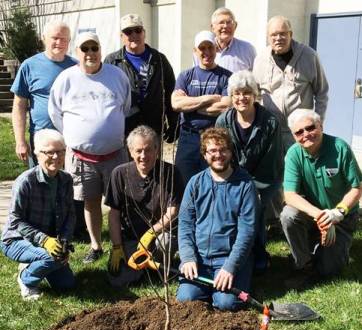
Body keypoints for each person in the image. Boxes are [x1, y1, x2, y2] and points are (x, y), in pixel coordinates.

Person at [48, 32, 131, 263]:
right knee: (90, 201)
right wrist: (79, 135)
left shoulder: (117, 76)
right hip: (82, 157)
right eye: (85, 49)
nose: (90, 53)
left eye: (94, 48)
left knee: (120, 202)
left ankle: (121, 243)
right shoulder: (66, 79)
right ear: (77, 53)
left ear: (101, 50)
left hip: (115, 154)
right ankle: (96, 246)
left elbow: (125, 106)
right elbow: (55, 113)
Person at [177, 128, 258, 311]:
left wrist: (230, 267)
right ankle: (206, 289)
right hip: (200, 259)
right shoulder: (195, 183)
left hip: (229, 258)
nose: (218, 155)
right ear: (205, 155)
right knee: (186, 300)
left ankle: (222, 290)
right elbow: (185, 224)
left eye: (223, 150)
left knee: (226, 303)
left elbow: (247, 232)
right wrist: (188, 257)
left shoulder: (245, 185)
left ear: (231, 152)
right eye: (212, 151)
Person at [281, 109, 362, 288]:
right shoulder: (294, 154)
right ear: (293, 136)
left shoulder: (339, 147)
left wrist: (337, 212)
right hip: (315, 214)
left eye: (310, 128)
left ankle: (320, 249)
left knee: (329, 271)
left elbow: (357, 188)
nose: (306, 134)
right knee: (288, 214)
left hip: (341, 216)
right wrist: (322, 216)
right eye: (299, 132)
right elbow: (290, 195)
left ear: (321, 126)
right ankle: (304, 265)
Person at [216, 70, 283, 273]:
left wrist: (251, 190)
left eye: (246, 92)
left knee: (255, 209)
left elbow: (272, 161)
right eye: (236, 93)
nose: (241, 98)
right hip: (232, 179)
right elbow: (220, 156)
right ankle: (230, 254)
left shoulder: (270, 122)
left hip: (264, 180)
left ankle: (259, 254)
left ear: (255, 95)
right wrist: (233, 184)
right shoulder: (223, 122)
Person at [0, 129, 75, 301]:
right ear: (37, 154)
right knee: (50, 259)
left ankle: (36, 261)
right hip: (17, 239)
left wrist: (63, 243)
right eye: (49, 152)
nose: (56, 157)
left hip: (49, 240)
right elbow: (16, 220)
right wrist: (44, 240)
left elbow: (70, 215)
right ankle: (26, 278)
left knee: (66, 285)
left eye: (60, 152)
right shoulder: (25, 182)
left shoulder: (66, 180)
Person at [104, 125, 184, 287]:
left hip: (159, 236)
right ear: (130, 151)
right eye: (138, 150)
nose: (143, 156)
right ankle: (144, 266)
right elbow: (113, 214)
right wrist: (117, 246)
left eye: (148, 150)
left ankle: (157, 266)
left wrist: (151, 232)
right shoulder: (119, 174)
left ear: (157, 150)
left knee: (166, 241)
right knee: (118, 281)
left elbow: (173, 211)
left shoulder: (171, 172)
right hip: (131, 237)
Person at [253, 15, 329, 151]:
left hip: (301, 132)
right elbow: (256, 94)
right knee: (274, 170)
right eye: (274, 34)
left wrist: (317, 123)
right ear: (268, 37)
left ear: (291, 34)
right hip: (271, 130)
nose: (278, 38)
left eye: (283, 33)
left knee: (299, 169)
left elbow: (321, 93)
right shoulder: (260, 59)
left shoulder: (309, 56)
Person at [104, 13, 178, 142]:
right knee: (126, 163)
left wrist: (173, 123)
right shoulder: (112, 61)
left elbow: (171, 91)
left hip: (153, 127)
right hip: (124, 129)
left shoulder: (159, 59)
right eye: (128, 32)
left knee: (152, 162)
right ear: (122, 36)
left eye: (137, 30)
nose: (133, 35)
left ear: (144, 33)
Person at [11, 21, 76, 165]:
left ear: (69, 41)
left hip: (71, 139)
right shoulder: (29, 66)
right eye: (55, 38)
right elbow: (19, 106)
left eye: (64, 39)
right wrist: (20, 141)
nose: (59, 42)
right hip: (42, 141)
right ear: (44, 38)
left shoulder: (77, 67)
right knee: (40, 183)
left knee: (70, 184)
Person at [172, 30, 231, 184]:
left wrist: (191, 105)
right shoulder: (185, 76)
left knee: (213, 181)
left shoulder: (226, 76)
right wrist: (209, 98)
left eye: (210, 47)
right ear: (195, 51)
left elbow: (225, 106)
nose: (206, 52)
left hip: (215, 138)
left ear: (216, 49)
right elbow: (177, 104)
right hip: (188, 137)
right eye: (202, 48)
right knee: (183, 182)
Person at [193, 7, 256, 72]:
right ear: (212, 28)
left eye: (229, 22)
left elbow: (255, 78)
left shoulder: (247, 49)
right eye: (221, 22)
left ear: (235, 26)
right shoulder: (202, 50)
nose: (225, 26)